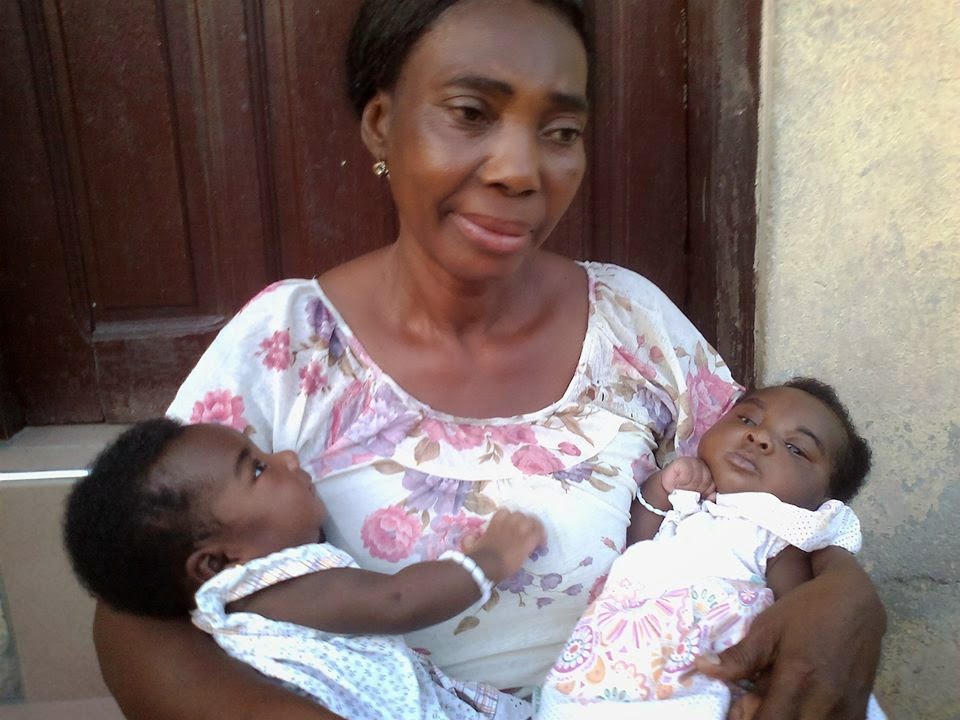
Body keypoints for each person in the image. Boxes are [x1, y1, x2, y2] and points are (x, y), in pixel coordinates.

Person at [92, 2, 886, 719]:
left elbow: (771, 485)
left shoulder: (634, 322)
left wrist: (851, 595)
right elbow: (138, 608)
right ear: (381, 124)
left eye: (561, 132)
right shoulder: (291, 345)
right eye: (470, 113)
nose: (519, 170)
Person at [65, 418, 542, 719]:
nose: (287, 458)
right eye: (257, 469)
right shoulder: (278, 586)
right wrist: (489, 559)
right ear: (219, 561)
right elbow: (397, 601)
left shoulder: (231, 611)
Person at [537, 378, 886, 719]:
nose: (760, 437)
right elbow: (637, 546)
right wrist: (662, 487)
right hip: (618, 663)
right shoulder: (688, 503)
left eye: (796, 448)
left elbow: (793, 623)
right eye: (747, 419)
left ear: (822, 501)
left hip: (704, 680)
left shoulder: (778, 533)